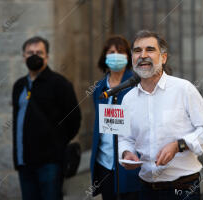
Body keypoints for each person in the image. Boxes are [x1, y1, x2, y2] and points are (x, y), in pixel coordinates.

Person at [118, 30, 203, 200]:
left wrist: (179, 145)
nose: (143, 55)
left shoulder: (183, 89)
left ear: (163, 58)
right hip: (145, 188)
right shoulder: (127, 99)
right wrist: (126, 153)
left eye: (150, 49)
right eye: (137, 51)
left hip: (182, 188)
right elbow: (124, 138)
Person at [12, 36, 81, 200]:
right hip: (24, 163)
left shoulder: (60, 84)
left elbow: (74, 120)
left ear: (47, 56)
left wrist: (56, 144)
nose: (34, 56)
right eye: (30, 52)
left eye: (39, 52)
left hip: (50, 163)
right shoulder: (19, 85)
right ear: (23, 57)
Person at [90, 35, 142, 200]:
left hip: (130, 159)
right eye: (111, 52)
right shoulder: (99, 87)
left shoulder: (136, 84)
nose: (115, 55)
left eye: (120, 51)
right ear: (105, 57)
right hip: (104, 160)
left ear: (128, 56)